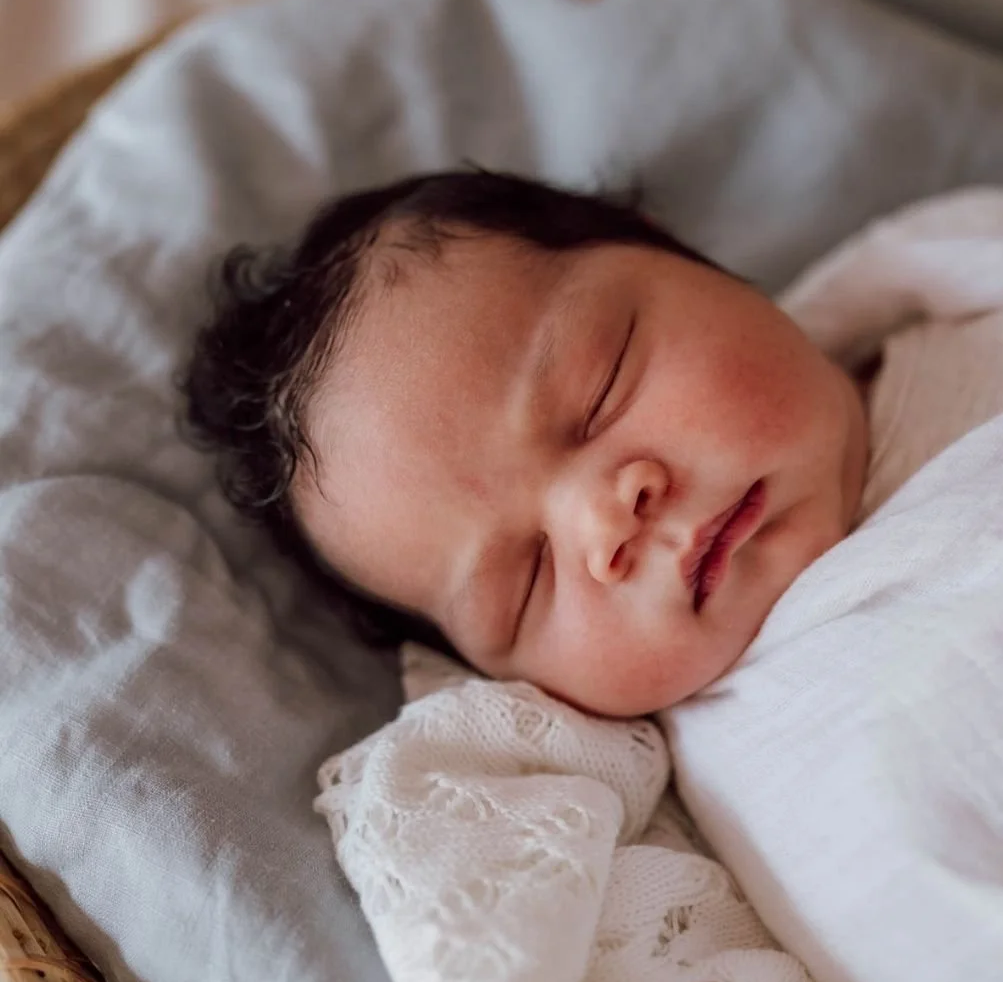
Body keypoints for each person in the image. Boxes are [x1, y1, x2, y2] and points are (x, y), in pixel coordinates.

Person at [182, 168, 869, 717]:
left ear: (670, 249)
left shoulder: (959, 281)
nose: (604, 523)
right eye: (527, 583)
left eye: (602, 392)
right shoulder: (592, 793)